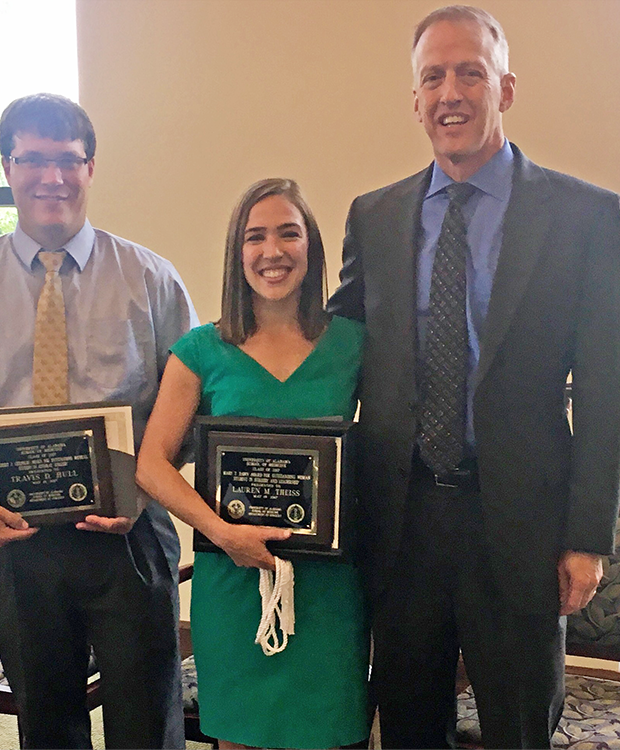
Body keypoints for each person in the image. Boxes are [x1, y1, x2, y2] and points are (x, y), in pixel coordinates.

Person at [327, 6, 620, 748]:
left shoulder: (584, 217)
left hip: (521, 526)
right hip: (402, 525)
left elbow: (606, 388)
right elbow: (333, 348)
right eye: (432, 77)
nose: (450, 93)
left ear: (507, 87)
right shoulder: (375, 216)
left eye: (471, 72)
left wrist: (588, 536)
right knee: (405, 723)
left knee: (520, 727)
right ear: (414, 99)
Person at [0, 93, 198, 750]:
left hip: (130, 533)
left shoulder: (151, 279)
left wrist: (144, 489)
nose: (51, 177)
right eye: (32, 160)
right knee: (46, 720)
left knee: (147, 720)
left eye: (67, 160)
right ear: (8, 168)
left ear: (91, 167)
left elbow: (188, 410)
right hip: (12, 541)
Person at [138, 178, 371, 749]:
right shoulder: (199, 349)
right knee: (239, 738)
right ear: (236, 254)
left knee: (326, 734)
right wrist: (223, 532)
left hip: (330, 588)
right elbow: (151, 465)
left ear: (311, 248)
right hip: (234, 582)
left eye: (289, 234)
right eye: (255, 237)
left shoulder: (356, 344)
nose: (273, 252)